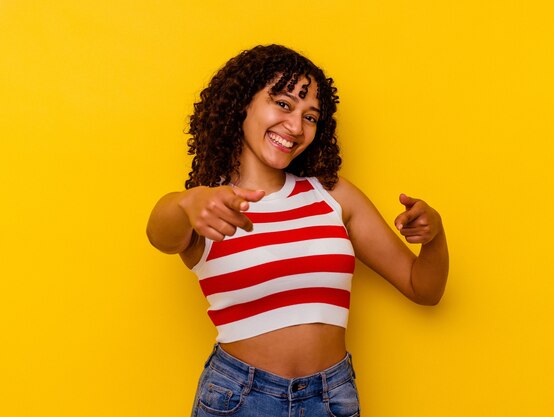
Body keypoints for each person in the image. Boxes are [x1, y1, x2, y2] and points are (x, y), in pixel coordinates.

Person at [147, 44, 448, 417]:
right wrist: (187, 202)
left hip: (332, 398)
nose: (295, 126)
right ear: (243, 104)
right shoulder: (208, 206)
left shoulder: (332, 195)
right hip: (239, 398)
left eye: (311, 116)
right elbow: (159, 234)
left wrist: (434, 237)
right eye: (284, 104)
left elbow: (424, 287)